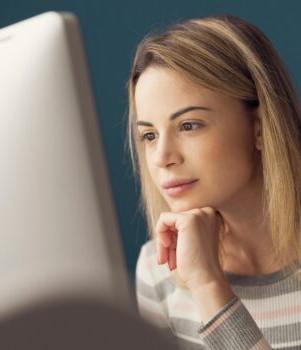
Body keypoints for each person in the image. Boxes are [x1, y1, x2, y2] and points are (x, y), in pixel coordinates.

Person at [127, 13, 301, 350]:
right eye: (149, 135)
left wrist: (209, 288)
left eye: (189, 125)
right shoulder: (157, 270)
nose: (163, 157)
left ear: (260, 128)